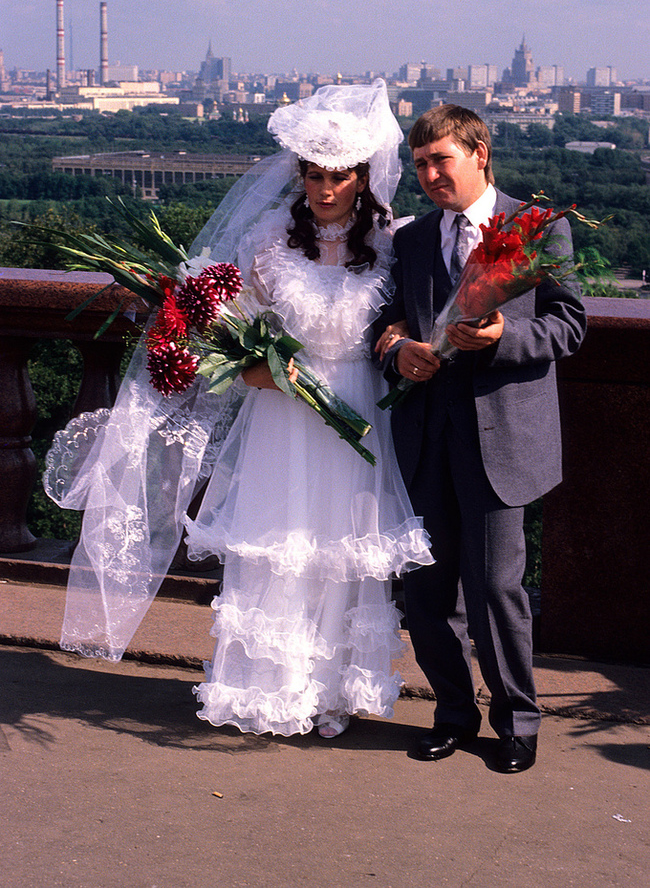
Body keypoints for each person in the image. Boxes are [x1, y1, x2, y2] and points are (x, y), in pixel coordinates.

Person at [45, 80, 434, 740]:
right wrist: (256, 368)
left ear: (362, 178)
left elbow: (399, 324)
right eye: (313, 175)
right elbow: (230, 329)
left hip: (358, 416)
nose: (324, 189)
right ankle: (267, 692)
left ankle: (327, 692)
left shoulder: (394, 242)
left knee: (335, 552)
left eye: (337, 177)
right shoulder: (269, 244)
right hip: (284, 417)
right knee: (278, 548)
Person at [374, 104, 587, 772]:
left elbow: (568, 326)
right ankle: (453, 715)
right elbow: (384, 321)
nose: (432, 174)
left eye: (443, 159)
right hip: (425, 438)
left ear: (480, 153)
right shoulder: (410, 240)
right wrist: (396, 349)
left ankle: (518, 721)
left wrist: (502, 340)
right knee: (428, 594)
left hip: (502, 440)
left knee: (496, 590)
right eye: (421, 165)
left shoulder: (535, 226)